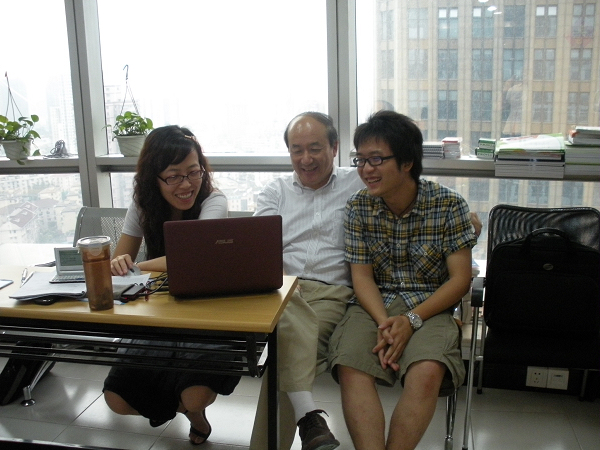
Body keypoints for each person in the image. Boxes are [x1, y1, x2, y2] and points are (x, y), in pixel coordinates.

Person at [328, 110, 477, 450]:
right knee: (351, 367)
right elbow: (362, 277)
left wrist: (410, 321)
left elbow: (459, 281)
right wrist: (385, 323)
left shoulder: (448, 205)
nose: (366, 169)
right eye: (360, 159)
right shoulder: (358, 207)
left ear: (407, 162)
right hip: (372, 305)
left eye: (376, 159)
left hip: (430, 306)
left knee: (427, 372)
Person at [103, 125, 240, 445]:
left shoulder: (213, 200)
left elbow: (195, 256)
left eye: (194, 172)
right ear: (154, 178)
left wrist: (136, 267)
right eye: (174, 176)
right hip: (160, 309)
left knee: (195, 396)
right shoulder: (143, 204)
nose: (187, 184)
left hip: (207, 311)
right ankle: (179, 408)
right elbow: (121, 260)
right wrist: (118, 263)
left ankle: (190, 411)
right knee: (117, 399)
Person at [250, 112, 364, 450]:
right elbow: (257, 246)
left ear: (334, 147)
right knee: (291, 341)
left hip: (331, 293)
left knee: (284, 358)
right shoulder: (276, 191)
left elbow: (411, 187)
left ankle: (304, 418)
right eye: (296, 150)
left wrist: (465, 214)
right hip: (281, 289)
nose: (306, 159)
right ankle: (309, 420)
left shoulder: (358, 182)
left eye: (315, 148)